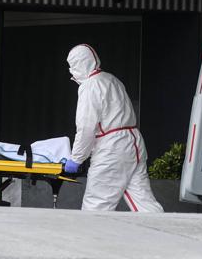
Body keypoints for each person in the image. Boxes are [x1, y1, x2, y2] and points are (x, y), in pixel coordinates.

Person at [64, 44, 164, 212]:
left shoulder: (90, 86)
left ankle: (90, 239)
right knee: (144, 202)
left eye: (72, 66)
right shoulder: (112, 79)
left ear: (79, 64)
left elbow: (86, 127)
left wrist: (77, 158)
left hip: (112, 149)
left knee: (96, 206)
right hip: (134, 143)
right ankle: (166, 234)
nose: (71, 71)